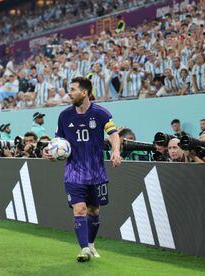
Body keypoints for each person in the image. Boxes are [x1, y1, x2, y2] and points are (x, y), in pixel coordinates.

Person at [43, 77, 121, 262]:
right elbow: (57, 143)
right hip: (73, 173)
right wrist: (47, 152)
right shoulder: (64, 116)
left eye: (73, 89)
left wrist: (116, 151)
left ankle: (91, 245)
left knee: (94, 211)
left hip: (96, 173)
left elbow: (114, 134)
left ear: (84, 92)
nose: (69, 93)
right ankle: (84, 249)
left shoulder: (101, 113)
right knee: (79, 210)